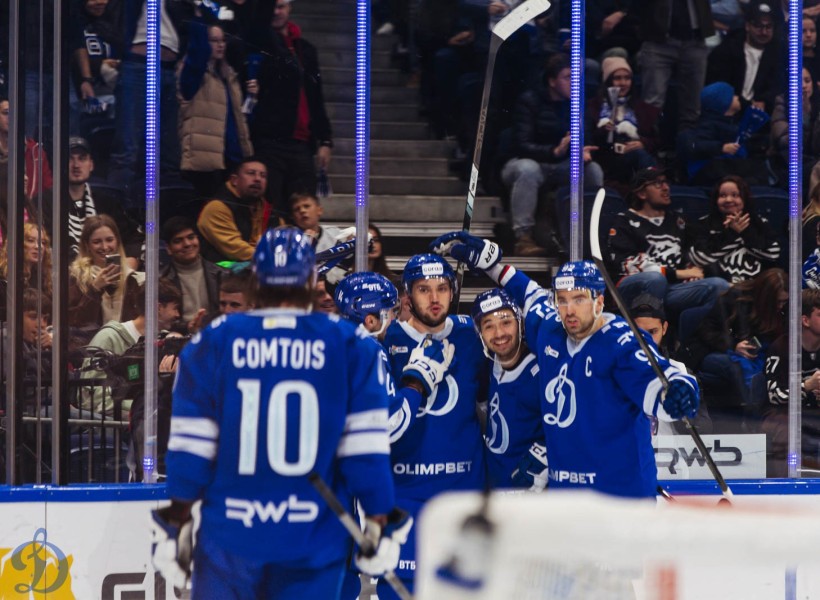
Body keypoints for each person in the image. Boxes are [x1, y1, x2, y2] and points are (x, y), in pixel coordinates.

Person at [150, 227, 411, 599]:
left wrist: (177, 522)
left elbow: (191, 449)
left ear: (256, 279)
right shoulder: (350, 344)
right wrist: (378, 520)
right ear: (310, 279)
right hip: (312, 541)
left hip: (230, 538)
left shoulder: (214, 340)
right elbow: (364, 453)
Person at [429, 232, 700, 498]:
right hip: (566, 500)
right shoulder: (550, 329)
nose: (569, 309)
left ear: (599, 301)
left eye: (579, 299)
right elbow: (530, 294)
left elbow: (660, 381)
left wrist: (678, 391)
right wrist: (492, 264)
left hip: (620, 498)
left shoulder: (622, 342)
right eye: (562, 300)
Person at [333, 271, 454, 599]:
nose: (399, 314)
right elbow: (389, 426)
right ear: (370, 319)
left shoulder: (328, 342)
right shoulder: (366, 351)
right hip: (335, 493)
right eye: (389, 312)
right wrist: (417, 382)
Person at [378, 253, 488, 598]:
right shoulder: (385, 341)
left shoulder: (474, 336)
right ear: (407, 296)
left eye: (442, 288)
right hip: (405, 495)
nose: (435, 298)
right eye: (424, 289)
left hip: (463, 493)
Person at [607, 166, 730, 340]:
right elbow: (627, 264)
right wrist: (679, 273)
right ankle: (647, 340)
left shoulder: (678, 221)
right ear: (642, 193)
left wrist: (691, 268)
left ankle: (683, 345)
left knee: (719, 286)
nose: (666, 188)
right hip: (632, 289)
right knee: (654, 279)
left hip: (669, 290)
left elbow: (691, 253)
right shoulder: (624, 221)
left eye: (666, 182)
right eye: (658, 184)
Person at [500, 53, 603, 257]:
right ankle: (523, 237)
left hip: (561, 166)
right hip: (524, 164)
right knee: (528, 169)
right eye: (567, 77)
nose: (574, 83)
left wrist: (583, 150)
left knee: (593, 170)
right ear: (552, 81)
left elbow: (587, 139)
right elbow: (521, 145)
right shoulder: (529, 101)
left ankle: (592, 235)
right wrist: (555, 151)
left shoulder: (578, 105)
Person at [246, 0, 334, 215]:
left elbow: (315, 96)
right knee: (273, 206)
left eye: (282, 6)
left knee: (303, 205)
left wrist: (325, 140)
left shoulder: (305, 49)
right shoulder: (262, 41)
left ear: (290, 8)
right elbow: (258, 24)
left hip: (301, 142)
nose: (277, 11)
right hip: (271, 139)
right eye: (273, 6)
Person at [685, 268, 787, 430]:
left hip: (751, 353)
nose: (780, 306)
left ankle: (764, 417)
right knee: (737, 367)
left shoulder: (780, 311)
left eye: (783, 301)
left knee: (765, 369)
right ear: (766, 297)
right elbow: (706, 330)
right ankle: (751, 418)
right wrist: (733, 345)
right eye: (778, 301)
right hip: (711, 350)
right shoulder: (736, 297)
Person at [471, 288, 546, 491]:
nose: (499, 334)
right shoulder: (490, 364)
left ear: (520, 323)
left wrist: (547, 455)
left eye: (506, 322)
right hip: (494, 489)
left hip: (531, 494)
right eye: (489, 326)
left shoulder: (542, 371)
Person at [81, 278, 182, 418]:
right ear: (158, 308)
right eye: (175, 308)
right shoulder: (109, 337)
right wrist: (139, 408)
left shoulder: (165, 342)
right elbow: (91, 396)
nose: (178, 315)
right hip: (113, 424)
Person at [177, 22, 253, 198]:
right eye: (213, 40)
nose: (220, 45)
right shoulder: (193, 74)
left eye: (223, 40)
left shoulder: (229, 76)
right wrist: (198, 16)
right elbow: (196, 57)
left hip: (232, 157)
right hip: (204, 160)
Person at [763, 288, 820, 476]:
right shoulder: (781, 347)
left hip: (814, 411)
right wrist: (806, 387)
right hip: (783, 414)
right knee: (787, 429)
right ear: (805, 320)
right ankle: (788, 482)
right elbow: (774, 396)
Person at [637, 0, 714, 133]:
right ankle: (647, 143)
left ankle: (688, 145)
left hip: (695, 40)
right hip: (658, 41)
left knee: (693, 104)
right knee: (652, 101)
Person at [688, 175, 781, 283]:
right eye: (722, 195)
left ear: (744, 198)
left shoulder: (760, 222)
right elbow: (699, 258)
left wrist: (745, 232)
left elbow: (773, 253)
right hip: (718, 287)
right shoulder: (704, 223)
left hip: (755, 286)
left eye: (735, 195)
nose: (728, 200)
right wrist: (732, 233)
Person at [68, 215, 145, 342]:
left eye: (109, 240)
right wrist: (95, 289)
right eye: (97, 242)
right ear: (87, 245)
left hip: (127, 349)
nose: (104, 247)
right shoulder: (76, 277)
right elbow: (74, 322)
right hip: (89, 349)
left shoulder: (134, 279)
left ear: (118, 241)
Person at [588, 55, 660, 192]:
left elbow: (657, 140)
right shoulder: (594, 106)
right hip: (608, 162)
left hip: (635, 158)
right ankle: (656, 187)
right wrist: (604, 131)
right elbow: (589, 139)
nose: (623, 83)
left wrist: (643, 142)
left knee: (640, 155)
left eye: (627, 78)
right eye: (617, 78)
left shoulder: (641, 108)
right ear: (608, 81)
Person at [67, 136, 143, 264]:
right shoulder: (45, 202)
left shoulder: (107, 202)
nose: (76, 165)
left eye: (82, 158)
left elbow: (134, 239)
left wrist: (131, 261)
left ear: (91, 165)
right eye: (69, 159)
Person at [705, 1, 784, 115]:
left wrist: (765, 102)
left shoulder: (777, 55)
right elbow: (717, 85)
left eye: (768, 27)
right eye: (758, 26)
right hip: (727, 112)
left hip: (762, 116)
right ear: (747, 26)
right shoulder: (727, 50)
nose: (764, 32)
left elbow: (777, 87)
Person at [197, 157, 276, 264]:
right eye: (251, 173)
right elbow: (235, 249)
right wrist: (273, 257)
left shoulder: (262, 206)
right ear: (234, 180)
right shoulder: (217, 206)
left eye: (263, 175)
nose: (258, 179)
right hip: (219, 271)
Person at [160, 216, 226, 333]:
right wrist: (187, 327)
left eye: (191, 237)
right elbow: (160, 321)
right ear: (168, 248)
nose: (187, 244)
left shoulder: (222, 274)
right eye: (178, 241)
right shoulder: (161, 280)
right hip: (178, 337)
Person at [0, 222, 53, 298]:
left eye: (43, 242)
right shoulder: (3, 275)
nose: (39, 246)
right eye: (31, 241)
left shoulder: (44, 278)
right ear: (17, 244)